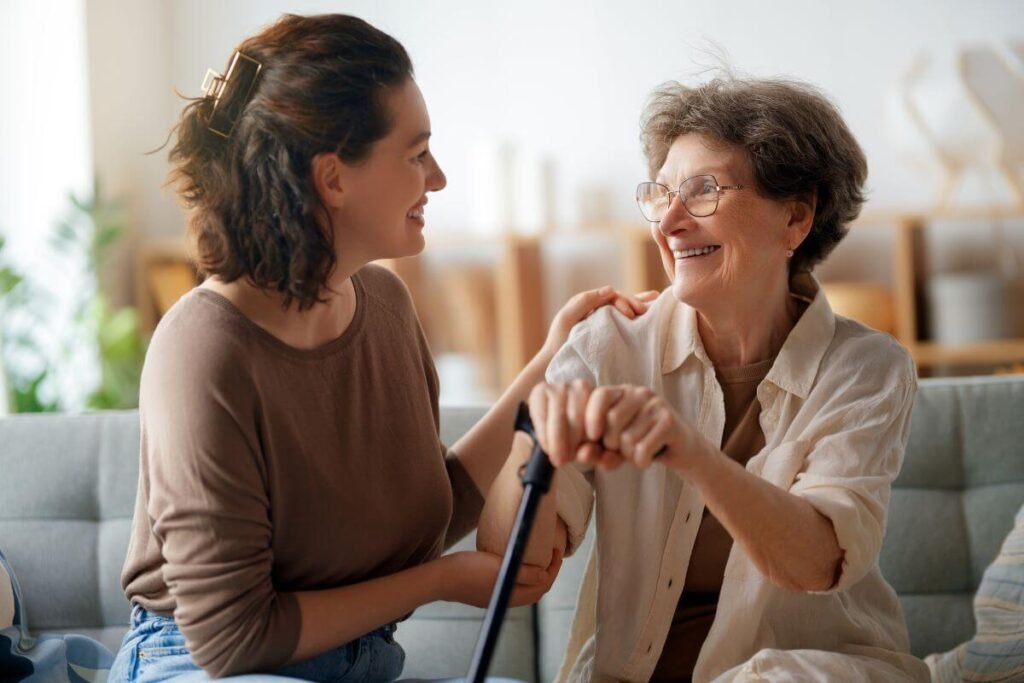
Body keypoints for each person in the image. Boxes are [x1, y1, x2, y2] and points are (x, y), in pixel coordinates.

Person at [111, 13, 654, 683]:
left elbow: (428, 508)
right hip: (201, 668)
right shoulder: (202, 350)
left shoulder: (387, 306)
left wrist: (553, 356)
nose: (440, 178)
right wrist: (441, 580)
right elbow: (234, 639)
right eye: (416, 153)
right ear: (333, 178)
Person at [478, 75, 930, 682]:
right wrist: (536, 442)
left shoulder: (868, 369)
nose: (669, 223)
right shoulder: (606, 348)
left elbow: (818, 561)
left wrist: (691, 454)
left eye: (702, 192)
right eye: (660, 196)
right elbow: (514, 566)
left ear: (795, 218)